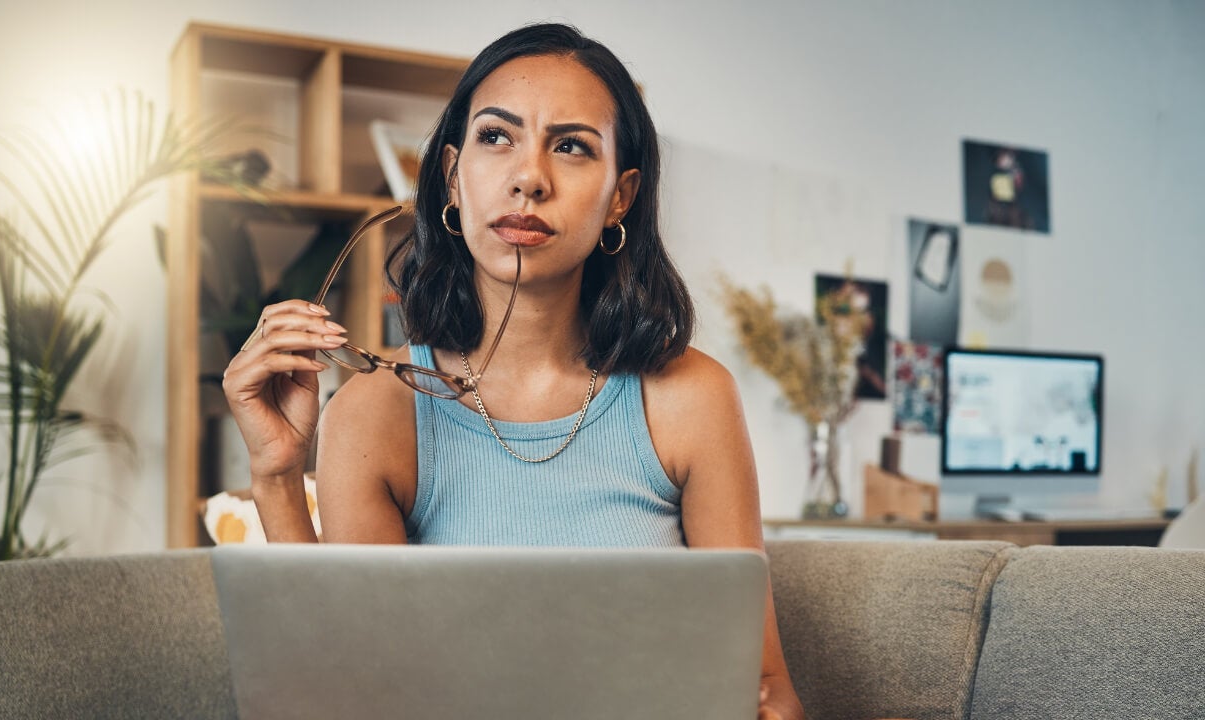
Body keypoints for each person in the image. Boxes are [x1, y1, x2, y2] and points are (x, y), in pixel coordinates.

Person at [222, 22, 806, 720]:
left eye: (571, 146)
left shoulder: (691, 399)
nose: (529, 177)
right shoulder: (377, 411)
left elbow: (766, 690)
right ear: (453, 175)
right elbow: (349, 695)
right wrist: (279, 476)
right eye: (496, 137)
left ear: (620, 197)